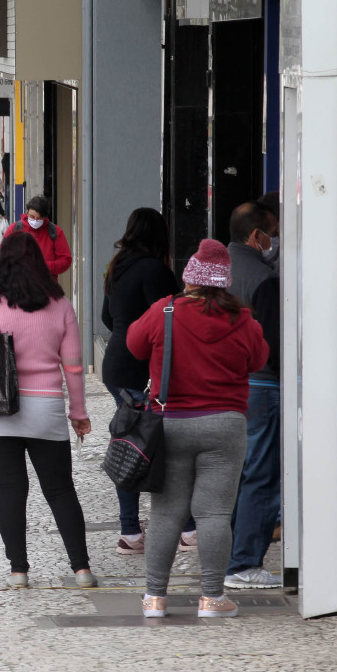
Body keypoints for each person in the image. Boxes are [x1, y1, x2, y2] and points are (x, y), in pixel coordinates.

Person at [0, 231, 96, 590]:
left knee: (10, 490)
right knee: (60, 491)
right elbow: (73, 365)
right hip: (46, 409)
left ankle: (18, 572)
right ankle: (82, 569)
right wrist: (79, 412)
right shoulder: (59, 304)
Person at [126, 239, 269, 618]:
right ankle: (212, 598)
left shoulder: (165, 311)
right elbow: (258, 360)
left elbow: (133, 345)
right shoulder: (243, 318)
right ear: (225, 282)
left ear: (189, 277)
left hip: (170, 423)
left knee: (167, 513)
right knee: (214, 514)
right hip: (225, 424)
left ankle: (155, 598)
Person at [100, 208, 180, 554]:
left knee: (133, 441)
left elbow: (106, 315)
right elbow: (171, 319)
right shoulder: (155, 270)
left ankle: (131, 532)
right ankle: (185, 528)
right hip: (142, 370)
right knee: (153, 445)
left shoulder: (118, 265)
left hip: (116, 365)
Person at [223, 201, 282, 589]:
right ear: (257, 236)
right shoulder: (264, 279)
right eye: (272, 234)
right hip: (262, 385)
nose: (275, 241)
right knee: (261, 476)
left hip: (229, 388)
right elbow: (274, 346)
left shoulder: (219, 269)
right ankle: (244, 563)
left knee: (235, 476)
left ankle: (230, 556)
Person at [2, 196, 72, 278]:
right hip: (19, 284)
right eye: (32, 217)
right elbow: (2, 255)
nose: (35, 220)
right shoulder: (14, 229)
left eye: (39, 218)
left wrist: (43, 266)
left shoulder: (55, 232)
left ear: (45, 217)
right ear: (27, 212)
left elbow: (65, 260)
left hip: (46, 286)